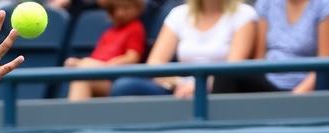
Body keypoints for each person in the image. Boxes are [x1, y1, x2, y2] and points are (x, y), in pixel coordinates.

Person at [109, 0, 256, 97]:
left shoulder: (244, 13)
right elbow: (155, 64)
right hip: (179, 89)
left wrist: (199, 86)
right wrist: (181, 84)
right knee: (125, 86)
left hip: (220, 90)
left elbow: (232, 69)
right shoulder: (178, 14)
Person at [212, 0, 329, 93]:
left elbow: (325, 65)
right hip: (267, 87)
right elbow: (260, 59)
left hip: (302, 90)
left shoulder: (328, 5)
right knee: (226, 73)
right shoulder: (266, 3)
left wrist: (295, 97)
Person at [65, 0, 146, 101]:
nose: (119, 13)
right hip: (100, 73)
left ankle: (74, 115)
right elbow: (96, 58)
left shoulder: (135, 28)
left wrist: (110, 65)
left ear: (137, 9)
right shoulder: (108, 32)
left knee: (83, 70)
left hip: (113, 79)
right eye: (113, 10)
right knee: (80, 70)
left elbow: (132, 57)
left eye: (126, 8)